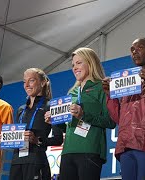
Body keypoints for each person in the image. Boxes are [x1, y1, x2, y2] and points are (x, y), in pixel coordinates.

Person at [102, 38, 145, 180]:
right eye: (132, 50)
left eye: (139, 48)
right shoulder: (127, 82)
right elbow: (118, 117)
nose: (134, 52)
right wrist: (110, 94)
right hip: (126, 144)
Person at [45, 47, 116, 180]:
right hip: (67, 152)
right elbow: (67, 126)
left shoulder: (102, 87)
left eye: (79, 63)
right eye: (73, 65)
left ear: (90, 62)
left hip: (90, 150)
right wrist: (55, 121)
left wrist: (83, 115)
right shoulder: (71, 93)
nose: (75, 68)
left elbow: (111, 122)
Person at [9, 68, 63, 180]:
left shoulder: (50, 106)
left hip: (36, 161)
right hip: (16, 162)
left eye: (31, 80)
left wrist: (37, 140)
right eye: (24, 81)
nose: (27, 85)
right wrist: (7, 138)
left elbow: (58, 139)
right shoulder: (21, 109)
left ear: (42, 83)